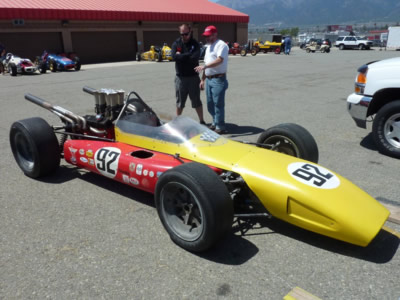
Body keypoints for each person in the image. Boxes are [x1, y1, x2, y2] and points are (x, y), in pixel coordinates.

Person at [194, 25, 229, 134]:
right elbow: (206, 64)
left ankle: (220, 126)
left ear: (215, 34)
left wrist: (205, 67)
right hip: (209, 79)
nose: (207, 38)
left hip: (218, 79)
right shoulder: (208, 47)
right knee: (210, 104)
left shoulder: (221, 45)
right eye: (206, 36)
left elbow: (220, 60)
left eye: (209, 36)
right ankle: (214, 123)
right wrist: (203, 80)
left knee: (218, 104)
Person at [171, 24, 205, 125]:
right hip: (180, 78)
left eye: (186, 34)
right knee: (180, 102)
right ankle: (177, 122)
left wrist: (180, 56)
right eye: (182, 34)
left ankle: (202, 121)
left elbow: (195, 58)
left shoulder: (195, 44)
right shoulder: (176, 43)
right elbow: (173, 57)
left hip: (193, 78)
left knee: (196, 101)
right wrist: (187, 55)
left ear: (190, 31)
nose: (184, 36)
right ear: (179, 32)